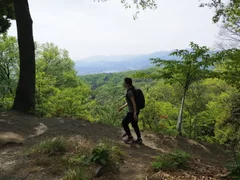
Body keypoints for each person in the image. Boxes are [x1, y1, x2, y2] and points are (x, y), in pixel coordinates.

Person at [118, 77, 142, 144]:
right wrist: (122, 107)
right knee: (134, 124)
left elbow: (133, 103)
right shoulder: (132, 89)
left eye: (124, 83)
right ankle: (139, 138)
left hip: (132, 111)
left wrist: (134, 113)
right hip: (136, 110)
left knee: (124, 123)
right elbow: (130, 102)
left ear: (127, 84)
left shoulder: (130, 92)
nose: (123, 84)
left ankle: (130, 137)